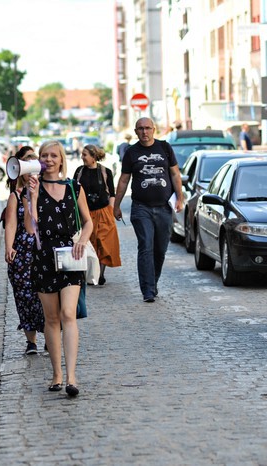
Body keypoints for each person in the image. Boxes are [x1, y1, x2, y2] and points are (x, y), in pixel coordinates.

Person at [22, 140, 93, 398]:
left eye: (53, 156)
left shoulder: (74, 187)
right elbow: (31, 228)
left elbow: (88, 222)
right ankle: (56, 374)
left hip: (70, 256)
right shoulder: (32, 188)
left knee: (67, 313)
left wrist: (83, 241)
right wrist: (32, 197)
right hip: (43, 258)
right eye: (44, 156)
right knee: (51, 319)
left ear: (61, 159)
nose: (49, 160)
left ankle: (72, 376)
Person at [113, 117, 184, 303]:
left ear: (154, 129)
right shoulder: (131, 152)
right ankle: (148, 290)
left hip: (163, 207)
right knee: (145, 246)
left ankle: (153, 282)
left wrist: (180, 198)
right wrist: (116, 205)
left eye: (147, 128)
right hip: (140, 207)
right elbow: (123, 180)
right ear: (136, 132)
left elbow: (175, 174)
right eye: (140, 129)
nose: (144, 132)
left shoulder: (165, 148)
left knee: (160, 249)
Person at [3, 146, 44, 355]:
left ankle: (50, 332)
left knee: (44, 295)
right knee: (25, 295)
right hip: (23, 251)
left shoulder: (45, 193)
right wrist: (9, 247)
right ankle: (31, 340)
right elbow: (11, 224)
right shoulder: (16, 196)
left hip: (42, 251)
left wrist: (35, 196)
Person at [73, 145, 121, 285]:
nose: (82, 157)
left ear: (94, 157)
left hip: (103, 212)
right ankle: (91, 274)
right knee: (90, 244)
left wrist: (111, 210)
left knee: (104, 243)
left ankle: (100, 274)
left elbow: (111, 193)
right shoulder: (79, 171)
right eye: (82, 154)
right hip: (85, 214)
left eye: (85, 155)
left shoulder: (106, 172)